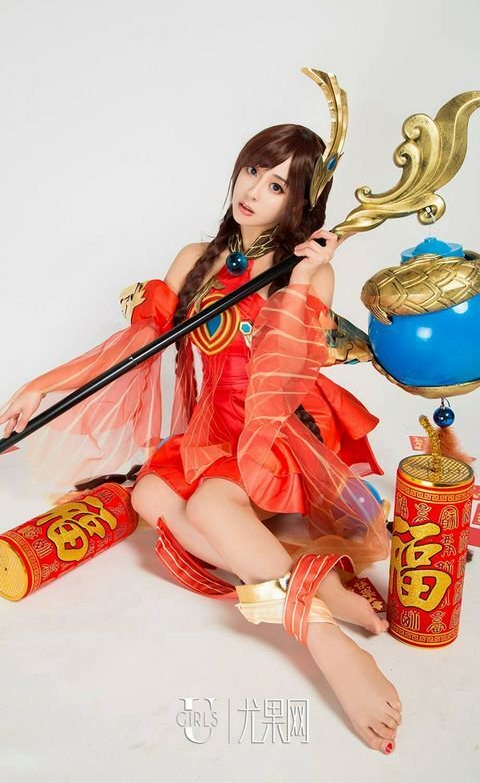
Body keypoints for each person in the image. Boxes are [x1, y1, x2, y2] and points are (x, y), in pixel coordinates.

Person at [0, 123, 401, 753]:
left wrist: (301, 281)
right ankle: (317, 583)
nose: (253, 190)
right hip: (208, 433)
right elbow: (135, 346)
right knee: (150, 499)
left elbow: (284, 373)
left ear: (300, 203)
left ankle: (328, 642)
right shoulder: (196, 258)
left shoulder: (309, 275)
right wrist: (40, 386)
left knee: (212, 505)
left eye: (277, 185)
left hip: (270, 433)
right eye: (252, 170)